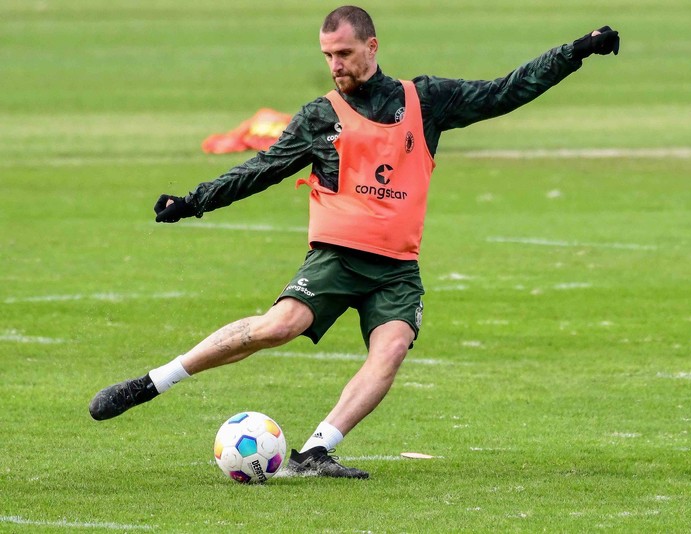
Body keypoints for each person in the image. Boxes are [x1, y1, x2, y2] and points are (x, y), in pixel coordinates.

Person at [89, 5, 620, 479]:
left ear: (372, 46)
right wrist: (194, 201)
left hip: (396, 268)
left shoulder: (425, 99)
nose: (335, 64)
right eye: (327, 55)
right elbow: (264, 168)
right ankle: (153, 382)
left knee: (390, 348)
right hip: (337, 259)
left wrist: (575, 51)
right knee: (279, 326)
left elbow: (506, 91)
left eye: (344, 52)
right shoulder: (320, 115)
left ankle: (316, 451)